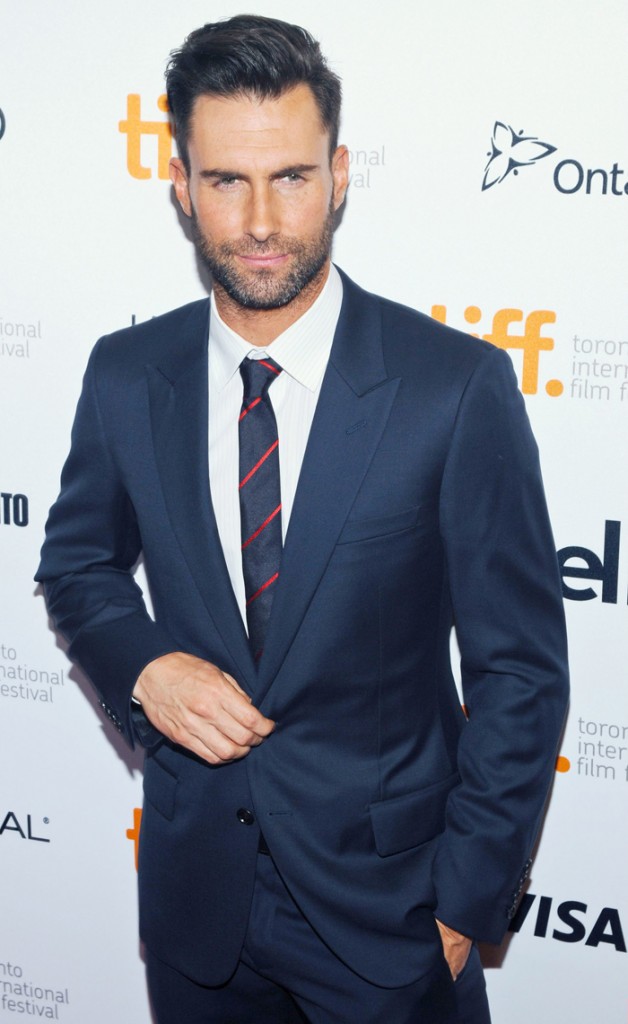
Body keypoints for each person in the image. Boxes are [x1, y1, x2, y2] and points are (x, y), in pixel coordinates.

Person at [36, 14, 569, 1024]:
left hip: (392, 918)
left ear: (338, 174)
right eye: (226, 181)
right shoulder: (126, 374)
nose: (259, 221)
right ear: (181, 185)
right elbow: (77, 569)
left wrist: (464, 905)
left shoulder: (453, 388)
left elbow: (521, 669)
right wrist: (145, 667)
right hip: (199, 908)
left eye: (289, 177)